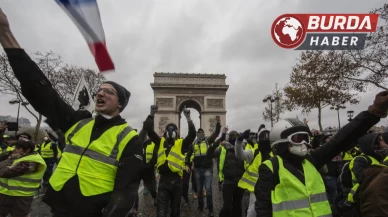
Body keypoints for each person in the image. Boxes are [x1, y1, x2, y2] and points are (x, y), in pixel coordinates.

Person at [0, 9, 143, 217]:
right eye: (99, 90)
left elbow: (127, 188)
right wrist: (6, 35)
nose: (100, 93)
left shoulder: (129, 138)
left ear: (120, 104)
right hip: (59, 208)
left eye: (108, 92)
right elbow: (43, 92)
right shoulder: (79, 121)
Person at [254, 91, 388, 217]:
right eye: (297, 138)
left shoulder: (311, 160)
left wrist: (373, 113)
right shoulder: (271, 168)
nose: (304, 143)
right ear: (280, 142)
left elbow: (342, 138)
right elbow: (263, 209)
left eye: (306, 138)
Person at [143, 105, 196, 217]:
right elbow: (149, 130)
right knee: (161, 213)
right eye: (169, 129)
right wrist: (151, 115)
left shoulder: (181, 144)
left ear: (177, 132)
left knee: (175, 212)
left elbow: (192, 135)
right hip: (163, 182)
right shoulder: (160, 142)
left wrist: (188, 118)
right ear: (165, 132)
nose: (171, 130)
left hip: (177, 182)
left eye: (173, 129)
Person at [342, 132, 388, 215]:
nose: (386, 145)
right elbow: (363, 180)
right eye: (382, 141)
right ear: (374, 145)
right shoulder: (360, 160)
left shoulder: (379, 158)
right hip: (360, 200)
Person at [0, 140, 47, 217]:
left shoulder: (31, 160)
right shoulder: (21, 156)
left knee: (20, 214)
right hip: (6, 193)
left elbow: (4, 173)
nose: (14, 149)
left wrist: (9, 159)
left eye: (18, 148)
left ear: (27, 150)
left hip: (20, 196)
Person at [185, 116, 221, 216]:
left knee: (208, 190)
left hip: (207, 169)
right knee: (200, 190)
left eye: (202, 132)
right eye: (199, 133)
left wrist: (218, 123)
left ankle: (210, 208)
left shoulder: (208, 141)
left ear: (204, 134)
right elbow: (188, 155)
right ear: (197, 134)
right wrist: (187, 165)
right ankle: (200, 206)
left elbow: (216, 133)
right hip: (197, 169)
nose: (200, 134)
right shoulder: (193, 144)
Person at [207, 128, 245, 217]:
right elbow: (209, 154)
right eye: (232, 136)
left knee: (238, 207)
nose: (234, 138)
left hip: (240, 182)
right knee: (228, 206)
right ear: (229, 138)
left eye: (236, 137)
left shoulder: (243, 148)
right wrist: (217, 142)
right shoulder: (222, 149)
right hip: (228, 181)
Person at [235, 128, 272, 217]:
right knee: (252, 213)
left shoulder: (277, 152)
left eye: (267, 136)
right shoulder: (255, 152)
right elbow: (239, 154)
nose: (265, 139)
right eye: (263, 136)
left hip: (272, 190)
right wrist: (239, 141)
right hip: (255, 191)